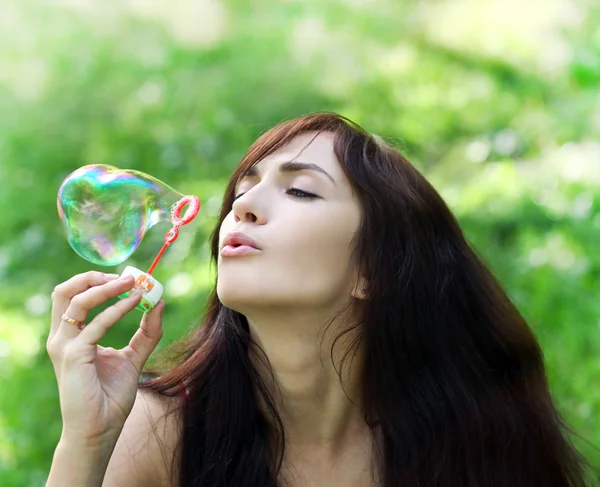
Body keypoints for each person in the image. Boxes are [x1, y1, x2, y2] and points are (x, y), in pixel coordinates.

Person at [45, 113, 598, 487]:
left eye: (301, 190)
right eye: (243, 190)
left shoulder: (474, 440)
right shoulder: (162, 431)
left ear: (374, 268)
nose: (243, 207)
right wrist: (85, 446)